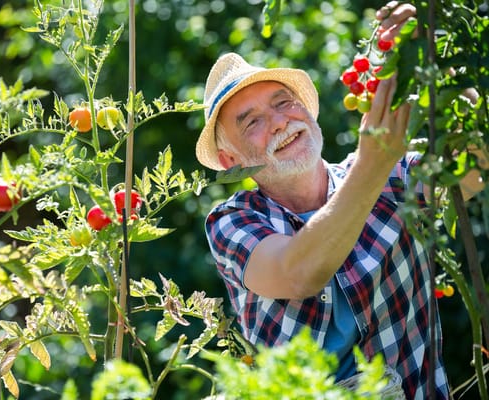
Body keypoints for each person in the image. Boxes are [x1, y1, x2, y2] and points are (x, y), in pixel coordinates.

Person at [195, 3, 484, 399]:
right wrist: (373, 165)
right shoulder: (233, 222)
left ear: (308, 113)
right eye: (252, 121)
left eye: (283, 103)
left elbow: (479, 163)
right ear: (232, 161)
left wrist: (436, 59)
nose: (279, 121)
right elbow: (300, 272)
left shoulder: (393, 175)